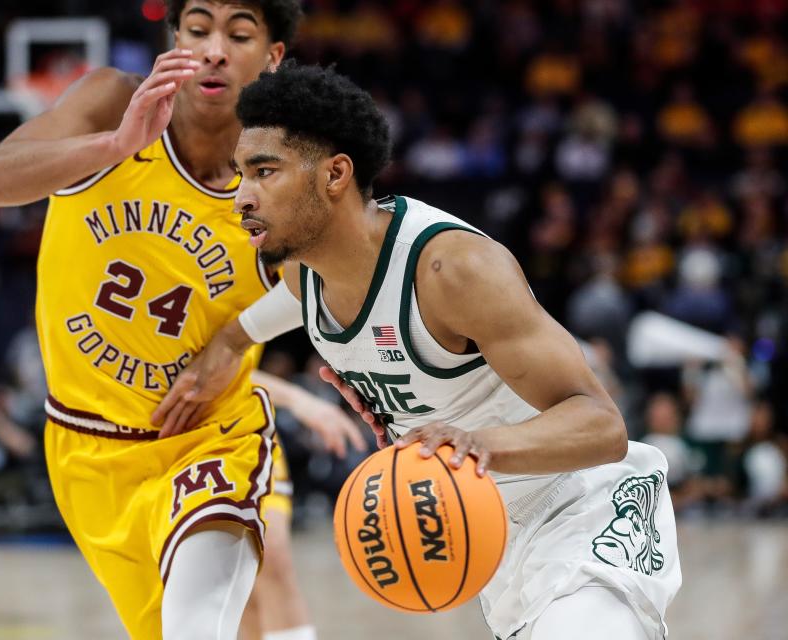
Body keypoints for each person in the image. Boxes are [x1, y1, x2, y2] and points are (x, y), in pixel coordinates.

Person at [155, 63, 681, 640]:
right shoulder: (304, 279)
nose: (241, 197)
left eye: (264, 172)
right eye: (239, 173)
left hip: (586, 511)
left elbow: (602, 427)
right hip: (491, 538)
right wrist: (225, 347)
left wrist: (475, 443)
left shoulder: (448, 268)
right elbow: (254, 322)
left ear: (334, 174)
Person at [0, 3, 349, 639]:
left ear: (273, 57)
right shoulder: (112, 100)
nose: (214, 50)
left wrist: (234, 339)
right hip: (86, 445)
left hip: (210, 439)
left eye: (239, 34)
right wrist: (113, 146)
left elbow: (331, 274)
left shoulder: (285, 175)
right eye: (198, 30)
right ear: (176, 40)